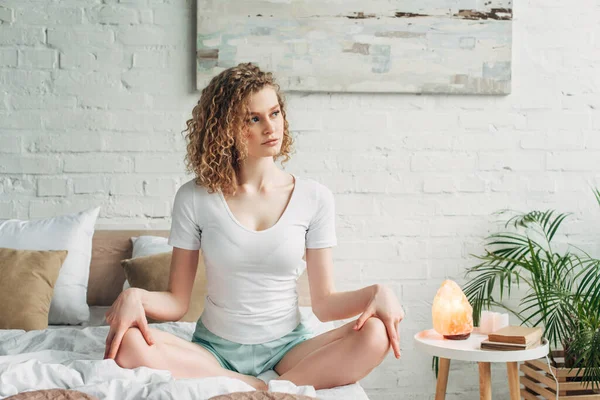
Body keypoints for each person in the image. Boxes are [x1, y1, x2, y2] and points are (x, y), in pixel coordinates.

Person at [103, 62, 405, 391]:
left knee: (376, 334)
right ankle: (257, 387)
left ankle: (252, 386)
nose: (271, 127)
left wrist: (379, 292)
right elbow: (177, 301)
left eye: (275, 113)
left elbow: (324, 304)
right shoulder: (194, 197)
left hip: (290, 349)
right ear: (226, 128)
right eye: (254, 119)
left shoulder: (314, 198)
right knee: (128, 343)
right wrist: (135, 296)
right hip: (214, 349)